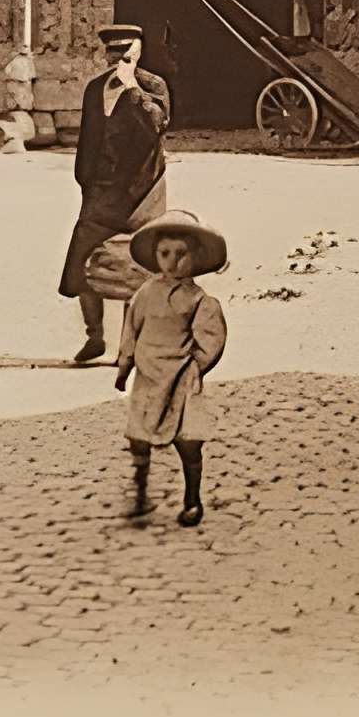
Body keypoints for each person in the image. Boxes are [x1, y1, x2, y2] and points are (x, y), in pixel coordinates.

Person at [58, 25, 170, 367]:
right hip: (103, 189)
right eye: (113, 53)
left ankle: (129, 345)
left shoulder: (154, 87)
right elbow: (89, 137)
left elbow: (157, 125)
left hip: (141, 189)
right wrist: (86, 180)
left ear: (137, 52)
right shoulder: (95, 90)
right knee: (82, 256)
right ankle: (94, 335)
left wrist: (133, 88)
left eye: (127, 53)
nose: (119, 59)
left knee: (134, 265)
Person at [115, 209, 228, 527]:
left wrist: (194, 368)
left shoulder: (200, 301)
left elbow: (211, 341)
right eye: (164, 253)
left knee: (188, 441)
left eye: (182, 254)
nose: (172, 261)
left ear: (196, 258)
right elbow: (131, 330)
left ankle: (192, 499)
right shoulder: (145, 294)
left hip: (182, 378)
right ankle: (139, 494)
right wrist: (125, 366)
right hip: (148, 376)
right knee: (139, 437)